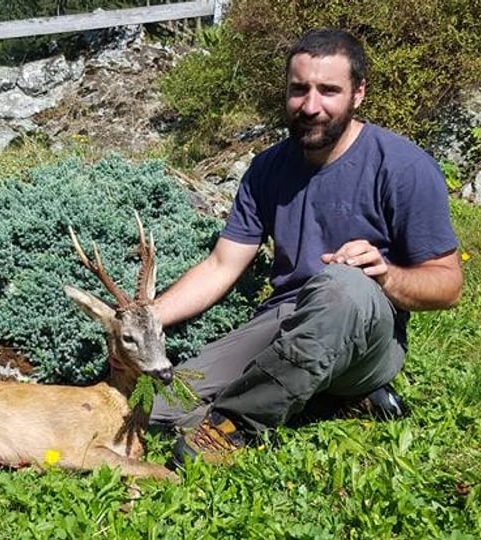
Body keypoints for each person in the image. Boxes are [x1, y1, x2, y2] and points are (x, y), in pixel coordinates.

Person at [150, 28, 463, 466]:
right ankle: (330, 402)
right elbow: (222, 264)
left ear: (358, 94)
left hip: (366, 331)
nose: (311, 106)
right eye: (300, 89)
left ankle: (232, 426)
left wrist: (385, 275)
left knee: (340, 286)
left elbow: (448, 285)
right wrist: (145, 318)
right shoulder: (267, 169)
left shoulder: (403, 167)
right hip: (287, 318)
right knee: (156, 406)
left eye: (329, 90)